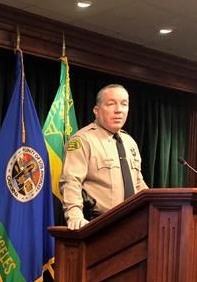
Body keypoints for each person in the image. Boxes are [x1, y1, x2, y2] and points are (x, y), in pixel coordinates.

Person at [60, 84, 148, 230]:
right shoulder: (82, 140)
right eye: (111, 104)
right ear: (96, 111)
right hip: (100, 226)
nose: (118, 110)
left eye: (124, 104)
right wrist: (74, 215)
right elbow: (71, 181)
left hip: (134, 225)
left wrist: (153, 208)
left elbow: (138, 184)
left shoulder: (130, 142)